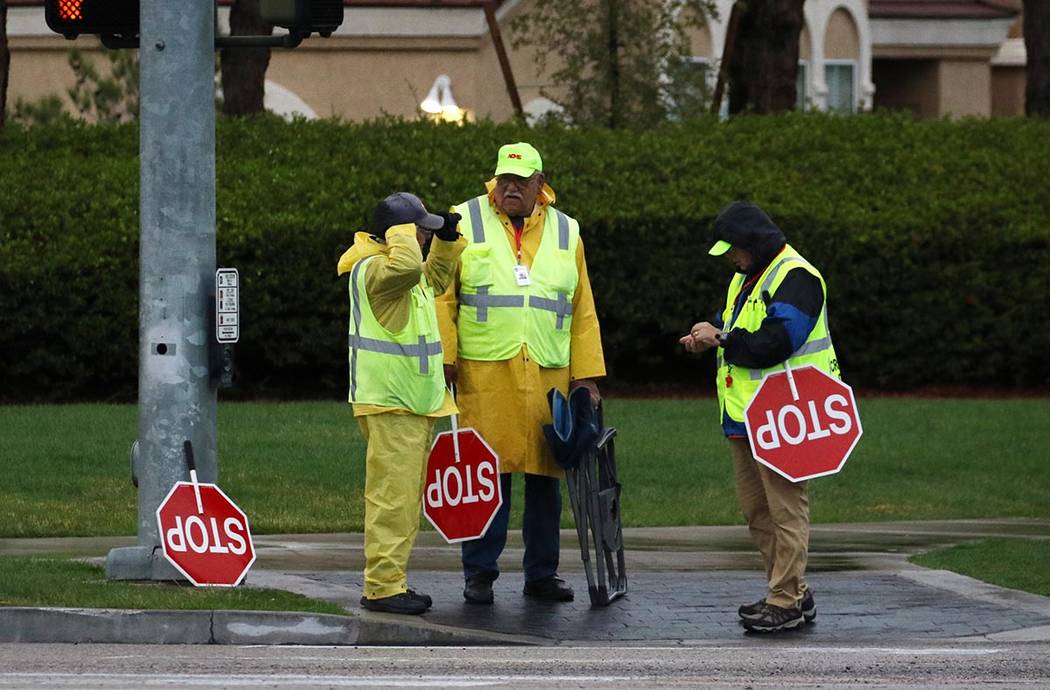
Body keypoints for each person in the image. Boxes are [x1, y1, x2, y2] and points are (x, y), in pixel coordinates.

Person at [436, 142, 606, 605]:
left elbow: (582, 309)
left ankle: (541, 574)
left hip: (549, 376)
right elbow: (441, 295)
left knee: (546, 477)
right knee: (485, 476)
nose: (510, 188)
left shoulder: (567, 231)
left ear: (539, 183)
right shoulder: (464, 220)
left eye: (521, 180)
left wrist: (587, 376)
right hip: (484, 375)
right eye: (504, 179)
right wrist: (445, 358)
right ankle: (479, 573)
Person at [680, 201, 839, 633]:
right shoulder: (747, 277)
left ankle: (785, 600)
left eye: (735, 248)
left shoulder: (796, 277)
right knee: (757, 511)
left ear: (755, 242)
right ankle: (791, 592)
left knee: (785, 509)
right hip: (746, 415)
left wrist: (723, 338)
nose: (731, 257)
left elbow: (778, 340)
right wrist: (706, 335)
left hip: (786, 413)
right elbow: (730, 323)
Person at [337, 192, 466, 615]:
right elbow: (409, 265)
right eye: (420, 229)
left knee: (403, 498)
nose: (425, 235)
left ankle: (392, 582)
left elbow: (436, 277)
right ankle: (382, 587)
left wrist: (448, 239)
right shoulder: (377, 270)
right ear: (397, 233)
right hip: (391, 403)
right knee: (392, 500)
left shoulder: (400, 274)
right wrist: (404, 233)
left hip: (407, 402)